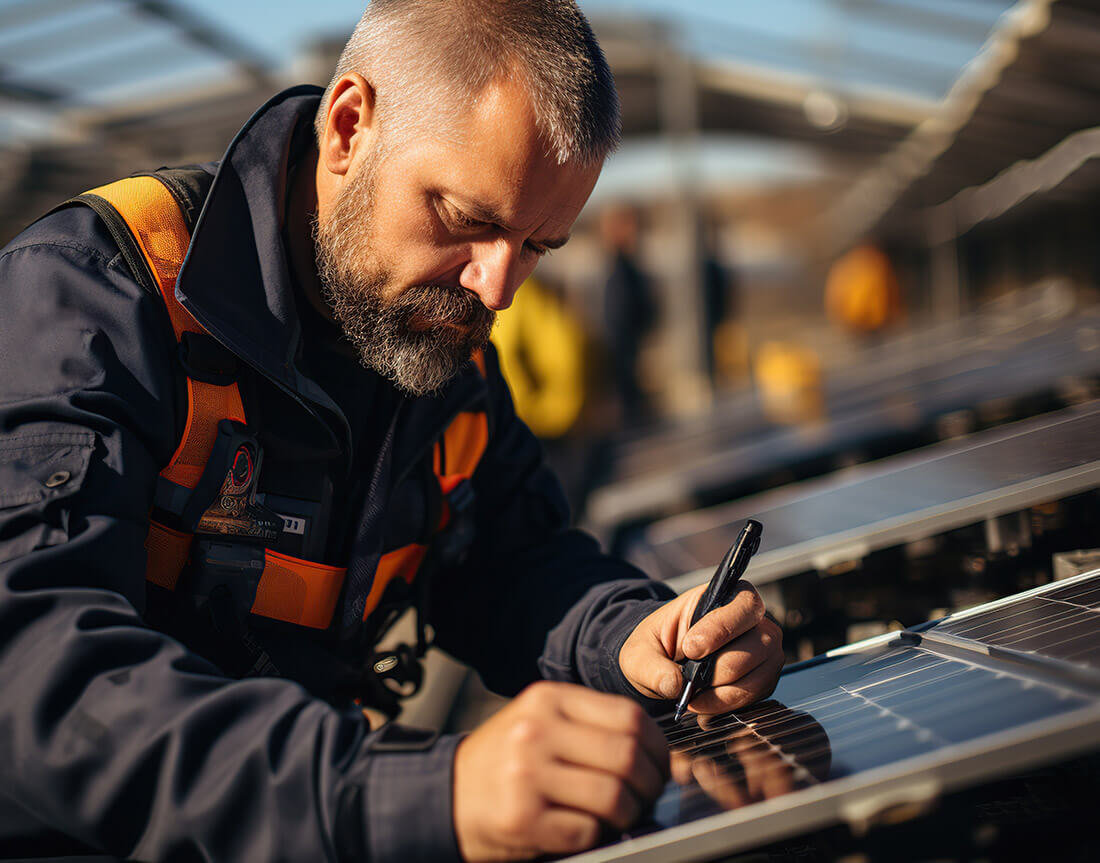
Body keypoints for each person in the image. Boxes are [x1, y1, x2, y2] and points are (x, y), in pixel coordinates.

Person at [0, 2, 783, 861]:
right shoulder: (91, 300)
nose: (498, 289)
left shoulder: (436, 348)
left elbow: (509, 558)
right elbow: (40, 671)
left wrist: (629, 635)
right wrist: (413, 793)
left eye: (537, 246)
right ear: (348, 128)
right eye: (468, 219)